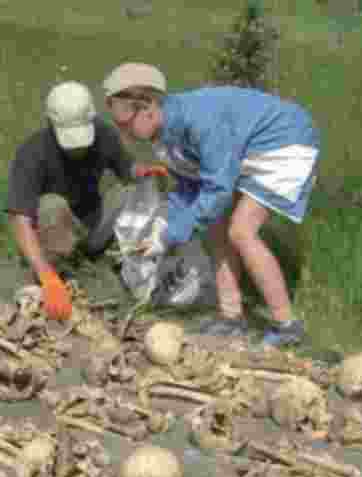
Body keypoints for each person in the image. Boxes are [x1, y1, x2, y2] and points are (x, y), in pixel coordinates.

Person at [101, 62, 320, 346]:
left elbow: (217, 188)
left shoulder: (199, 122)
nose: (124, 135)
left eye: (125, 125)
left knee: (241, 231)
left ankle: (287, 324)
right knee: (214, 227)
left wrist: (170, 235)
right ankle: (232, 318)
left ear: (148, 106)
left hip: (284, 141)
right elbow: (188, 187)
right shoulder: (164, 135)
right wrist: (163, 231)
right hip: (251, 147)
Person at [5, 81, 168, 321]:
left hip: (93, 226)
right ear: (52, 123)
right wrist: (45, 274)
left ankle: (132, 261)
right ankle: (58, 273)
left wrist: (143, 172)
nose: (78, 150)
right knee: (51, 205)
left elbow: (125, 167)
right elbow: (20, 219)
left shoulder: (103, 134)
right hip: (55, 238)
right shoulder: (32, 153)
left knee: (131, 193)